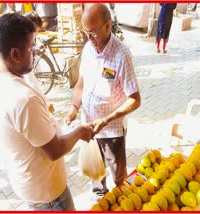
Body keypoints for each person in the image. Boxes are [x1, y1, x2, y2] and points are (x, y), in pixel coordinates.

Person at [0, 13, 93, 210]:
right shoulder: (23, 99)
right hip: (48, 193)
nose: (36, 51)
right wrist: (80, 131)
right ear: (15, 54)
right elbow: (55, 151)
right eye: (31, 47)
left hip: (27, 181)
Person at [65, 4, 141, 199]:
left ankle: (123, 203)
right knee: (96, 175)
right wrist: (74, 107)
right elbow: (81, 83)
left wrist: (106, 120)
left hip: (112, 130)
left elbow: (135, 99)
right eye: (85, 33)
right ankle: (100, 199)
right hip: (88, 127)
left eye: (92, 33)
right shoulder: (89, 49)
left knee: (120, 179)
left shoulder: (122, 54)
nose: (88, 39)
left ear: (108, 26)